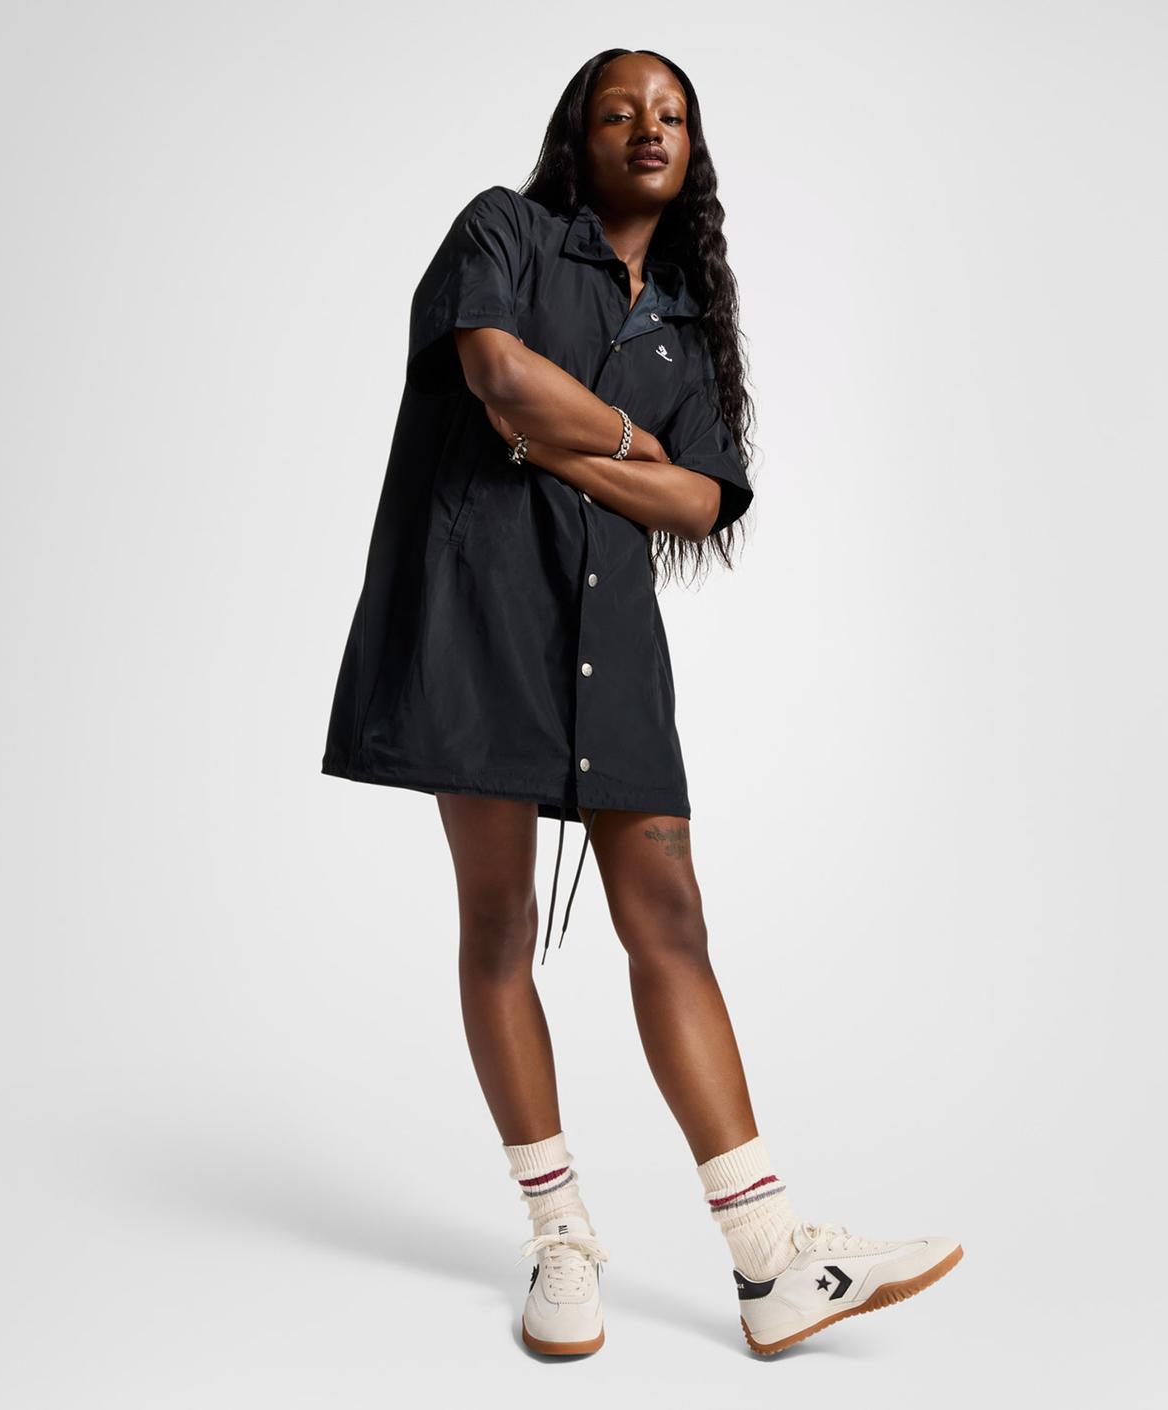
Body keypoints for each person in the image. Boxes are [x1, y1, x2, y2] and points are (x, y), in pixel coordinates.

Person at [321, 47, 962, 1358]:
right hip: (480, 622)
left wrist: (562, 446)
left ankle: (770, 1261)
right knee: (498, 920)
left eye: (670, 113)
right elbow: (498, 377)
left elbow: (705, 500)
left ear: (693, 147)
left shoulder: (680, 319)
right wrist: (624, 442)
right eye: (619, 110)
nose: (647, 127)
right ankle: (558, 1234)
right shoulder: (502, 232)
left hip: (610, 647)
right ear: (580, 133)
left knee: (671, 915)